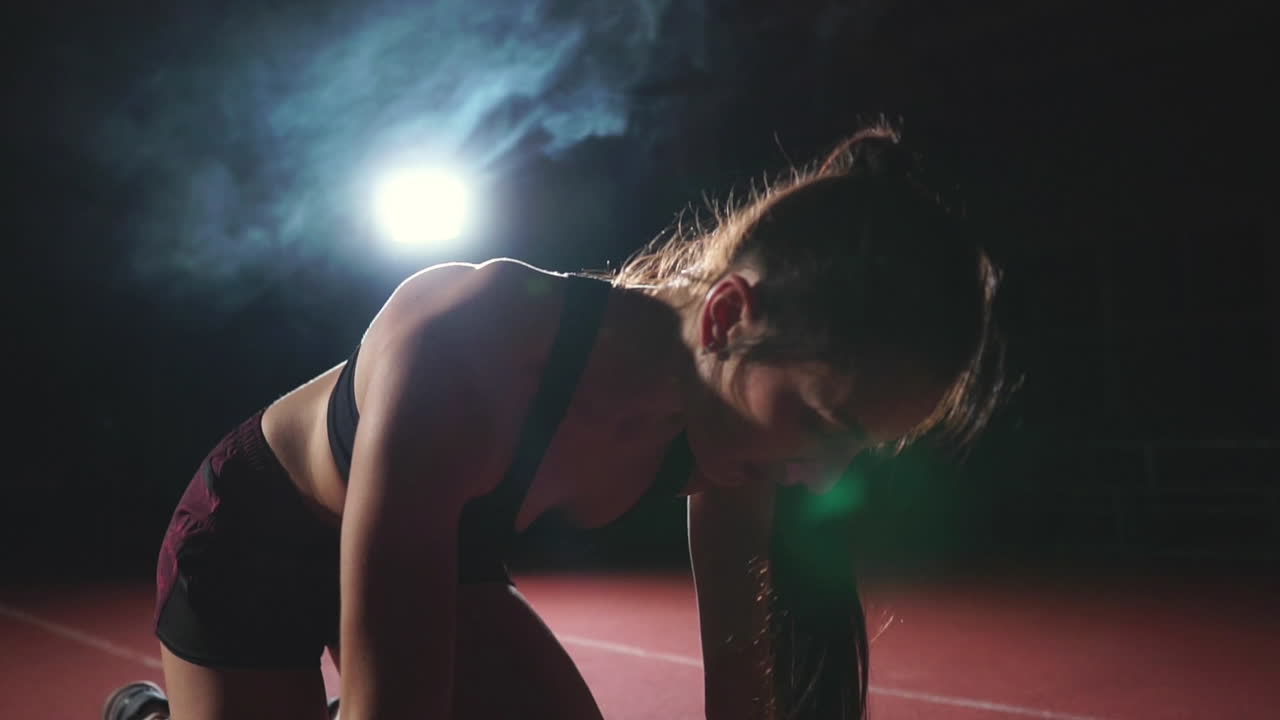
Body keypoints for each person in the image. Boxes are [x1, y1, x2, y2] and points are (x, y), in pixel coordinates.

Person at [104, 123, 1007, 720]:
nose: (826, 479)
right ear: (727, 318)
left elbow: (741, 694)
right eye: (824, 423)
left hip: (437, 560)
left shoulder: (738, 447)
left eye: (858, 448)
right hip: (254, 543)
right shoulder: (473, 347)